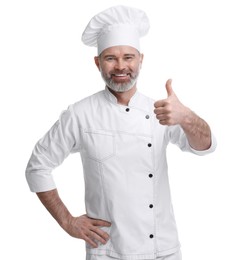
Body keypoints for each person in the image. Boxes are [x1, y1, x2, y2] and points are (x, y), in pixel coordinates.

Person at [25, 5, 217, 260]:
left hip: (164, 250)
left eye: (128, 57)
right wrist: (68, 222)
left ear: (141, 60)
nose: (120, 66)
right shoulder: (80, 113)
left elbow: (206, 146)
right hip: (108, 250)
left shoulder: (162, 110)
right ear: (97, 63)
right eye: (110, 58)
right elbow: (37, 167)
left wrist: (186, 117)